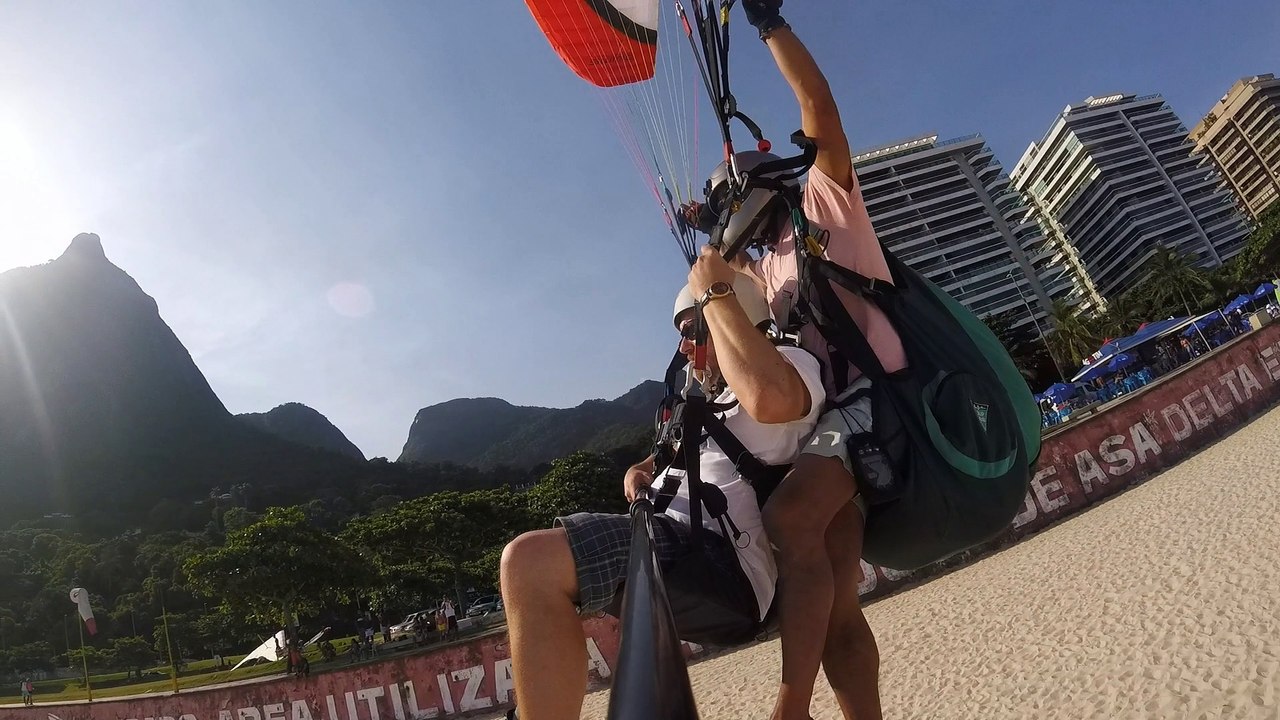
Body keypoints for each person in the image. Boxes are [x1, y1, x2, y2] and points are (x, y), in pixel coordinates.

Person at [682, 3, 908, 717]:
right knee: (837, 603)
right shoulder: (761, 274)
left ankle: (790, 706)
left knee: (788, 521)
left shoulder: (826, 206)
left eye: (732, 202)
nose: (730, 218)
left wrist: (768, 22)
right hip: (826, 427)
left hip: (875, 401)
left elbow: (821, 111)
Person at [500, 272, 825, 720]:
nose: (684, 348)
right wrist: (641, 470)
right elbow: (675, 454)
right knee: (531, 567)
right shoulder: (714, 397)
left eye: (692, 331)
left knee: (530, 561)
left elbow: (773, 399)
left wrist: (714, 290)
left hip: (720, 561)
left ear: (730, 317)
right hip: (667, 537)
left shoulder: (787, 363)